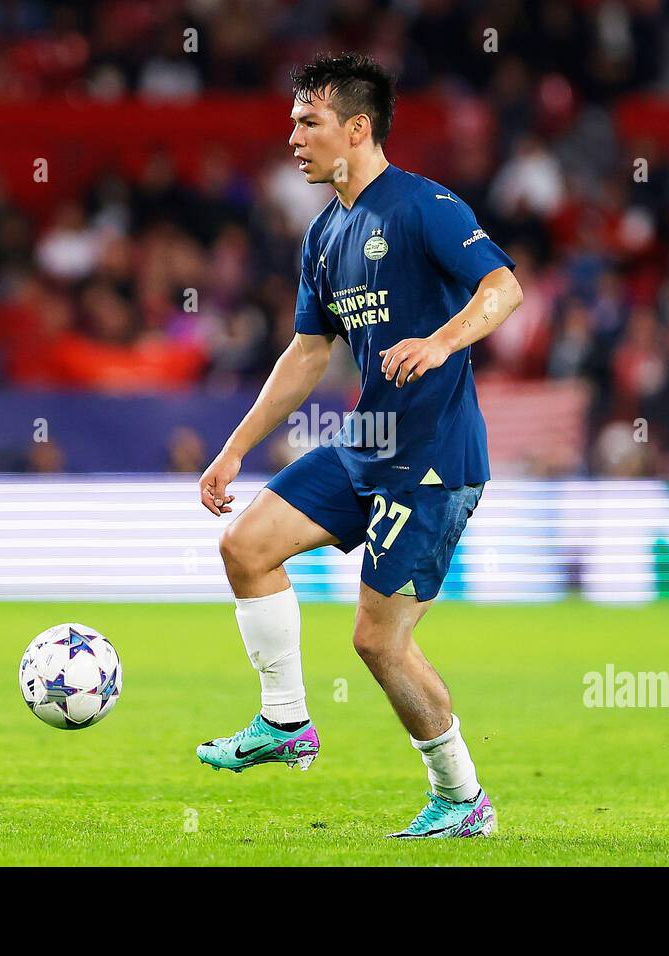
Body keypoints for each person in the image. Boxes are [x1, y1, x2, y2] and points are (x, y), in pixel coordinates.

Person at [196, 53, 524, 838]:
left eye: (308, 122)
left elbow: (504, 287)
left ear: (357, 128)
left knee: (377, 641)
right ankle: (284, 723)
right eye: (292, 121)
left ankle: (461, 797)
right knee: (245, 546)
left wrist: (442, 343)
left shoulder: (425, 206)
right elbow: (308, 353)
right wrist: (235, 449)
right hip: (365, 446)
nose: (293, 137)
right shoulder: (325, 233)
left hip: (435, 461)